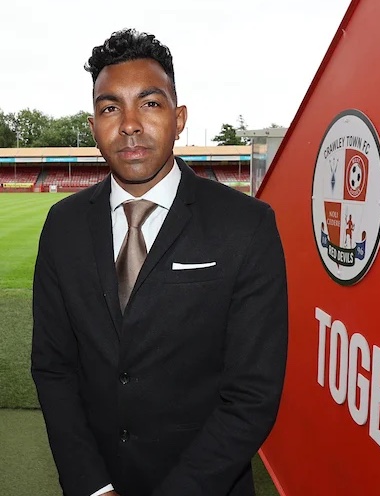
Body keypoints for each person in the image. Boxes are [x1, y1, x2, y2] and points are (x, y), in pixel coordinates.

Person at [31, 29, 288, 496]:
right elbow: (53, 367)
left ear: (179, 116)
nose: (129, 123)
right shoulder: (62, 225)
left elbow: (252, 394)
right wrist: (92, 485)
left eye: (149, 103)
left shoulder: (246, 225)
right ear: (93, 126)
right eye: (110, 107)